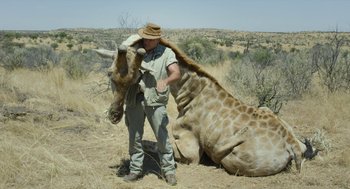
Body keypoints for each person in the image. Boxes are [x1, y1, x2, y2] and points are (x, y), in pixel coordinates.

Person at [123, 23, 181, 186]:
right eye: (145, 38)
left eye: (150, 39)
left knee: (162, 137)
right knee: (134, 136)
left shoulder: (166, 53)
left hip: (155, 100)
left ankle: (168, 171)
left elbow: (176, 73)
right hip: (134, 99)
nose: (146, 41)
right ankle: (135, 169)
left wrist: (166, 81)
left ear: (157, 39)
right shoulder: (133, 50)